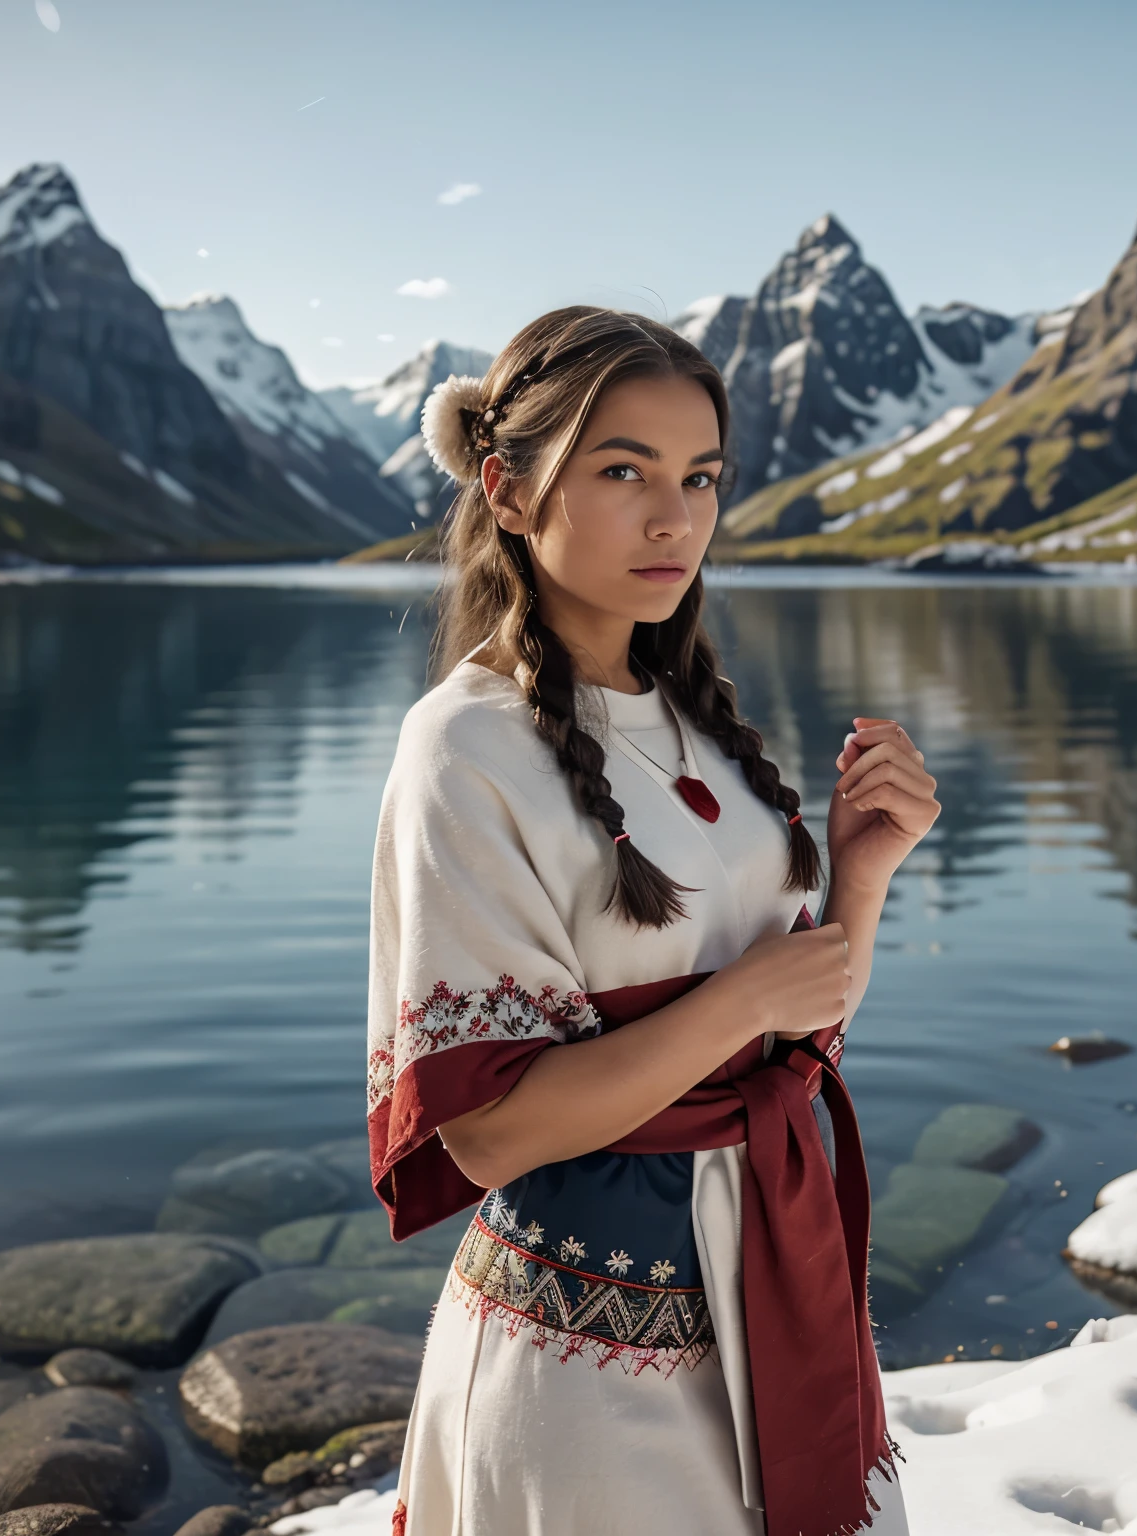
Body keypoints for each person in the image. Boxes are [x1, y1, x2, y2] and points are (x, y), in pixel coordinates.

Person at [365, 305, 940, 1536]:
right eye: (621, 470)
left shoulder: (697, 724)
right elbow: (488, 1138)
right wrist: (741, 999)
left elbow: (792, 1048)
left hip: (768, 1280)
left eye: (700, 478)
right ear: (508, 490)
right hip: (584, 1355)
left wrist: (860, 877)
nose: (674, 518)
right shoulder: (462, 748)